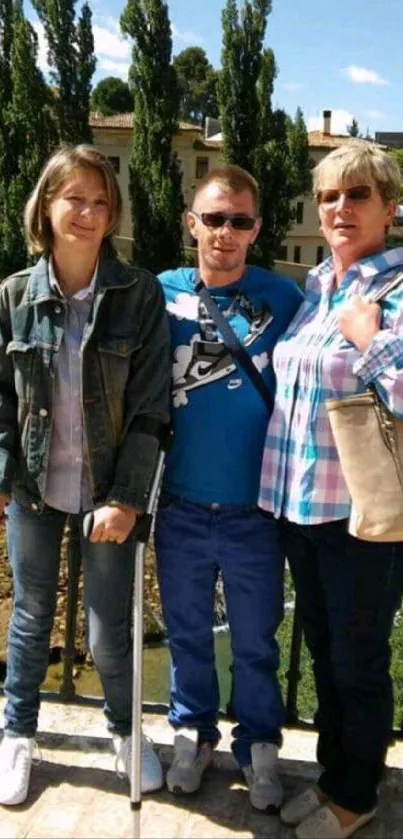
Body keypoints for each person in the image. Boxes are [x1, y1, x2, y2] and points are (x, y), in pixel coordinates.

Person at [0, 144, 171, 806]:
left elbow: (150, 409)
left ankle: (125, 730)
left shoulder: (138, 294)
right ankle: (17, 732)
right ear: (46, 204)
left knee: (107, 626)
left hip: (108, 492)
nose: (90, 212)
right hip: (35, 490)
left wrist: (128, 499)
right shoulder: (14, 296)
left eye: (102, 202)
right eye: (75, 197)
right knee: (31, 616)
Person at [259, 142, 403, 839]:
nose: (338, 209)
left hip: (361, 516)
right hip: (298, 505)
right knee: (322, 650)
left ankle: (356, 794)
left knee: (358, 658)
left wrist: (369, 342)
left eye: (356, 195)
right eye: (327, 197)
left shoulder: (394, 291)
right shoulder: (315, 285)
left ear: (389, 208)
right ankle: (330, 773)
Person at [155, 164, 303, 810]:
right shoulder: (157, 293)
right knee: (187, 629)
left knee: (253, 637)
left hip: (254, 509)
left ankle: (259, 742)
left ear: (256, 229)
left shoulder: (284, 296)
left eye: (238, 220)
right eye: (212, 218)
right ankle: (191, 730)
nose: (224, 231)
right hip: (180, 503)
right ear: (191, 223)